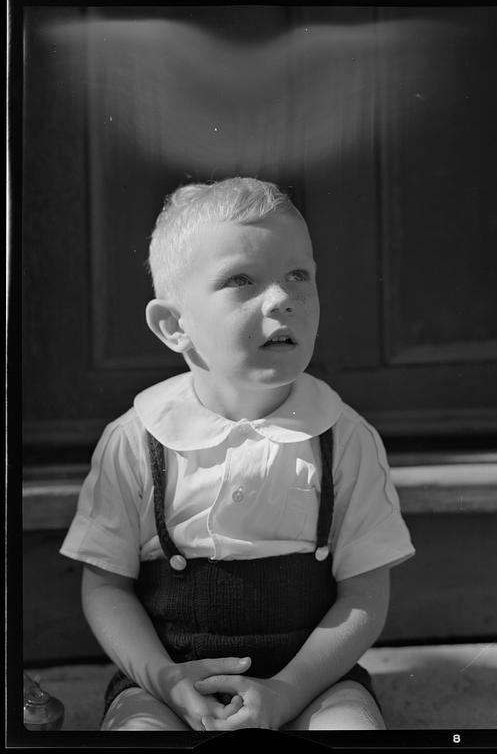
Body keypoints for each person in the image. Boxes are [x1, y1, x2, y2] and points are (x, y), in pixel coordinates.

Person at [60, 176, 415, 732]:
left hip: (312, 682)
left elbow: (365, 592)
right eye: (241, 280)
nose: (283, 299)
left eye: (299, 275)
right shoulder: (137, 438)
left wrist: (287, 692)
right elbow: (105, 585)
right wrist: (163, 680)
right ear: (174, 326)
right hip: (167, 684)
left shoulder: (343, 437)